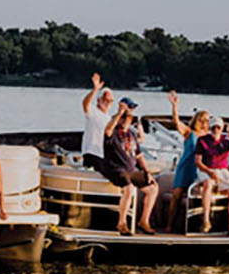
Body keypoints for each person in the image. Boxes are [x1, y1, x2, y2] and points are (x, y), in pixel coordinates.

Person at [100, 99, 159, 235]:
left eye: (129, 118)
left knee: (153, 188)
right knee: (129, 188)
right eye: (124, 118)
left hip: (132, 170)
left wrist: (146, 171)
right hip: (117, 169)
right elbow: (108, 130)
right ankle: (121, 223)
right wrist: (119, 113)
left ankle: (144, 221)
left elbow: (139, 155)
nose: (127, 120)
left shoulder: (131, 135)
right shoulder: (113, 133)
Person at [192, 118, 229, 234]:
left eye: (218, 127)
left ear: (221, 128)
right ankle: (206, 220)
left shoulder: (226, 140)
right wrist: (210, 172)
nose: (215, 130)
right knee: (208, 183)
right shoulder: (202, 140)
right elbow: (198, 162)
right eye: (213, 127)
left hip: (222, 170)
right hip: (206, 168)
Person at [166, 95, 207, 230]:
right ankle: (169, 225)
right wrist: (174, 106)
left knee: (197, 195)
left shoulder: (208, 136)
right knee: (177, 195)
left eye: (207, 120)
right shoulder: (190, 132)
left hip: (199, 168)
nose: (204, 122)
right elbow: (176, 122)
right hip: (185, 167)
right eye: (202, 119)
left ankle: (195, 225)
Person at [80, 72, 115, 169]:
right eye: (105, 99)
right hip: (91, 153)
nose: (108, 103)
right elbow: (85, 103)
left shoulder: (109, 118)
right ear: (99, 100)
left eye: (110, 101)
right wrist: (95, 90)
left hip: (103, 154)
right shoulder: (93, 112)